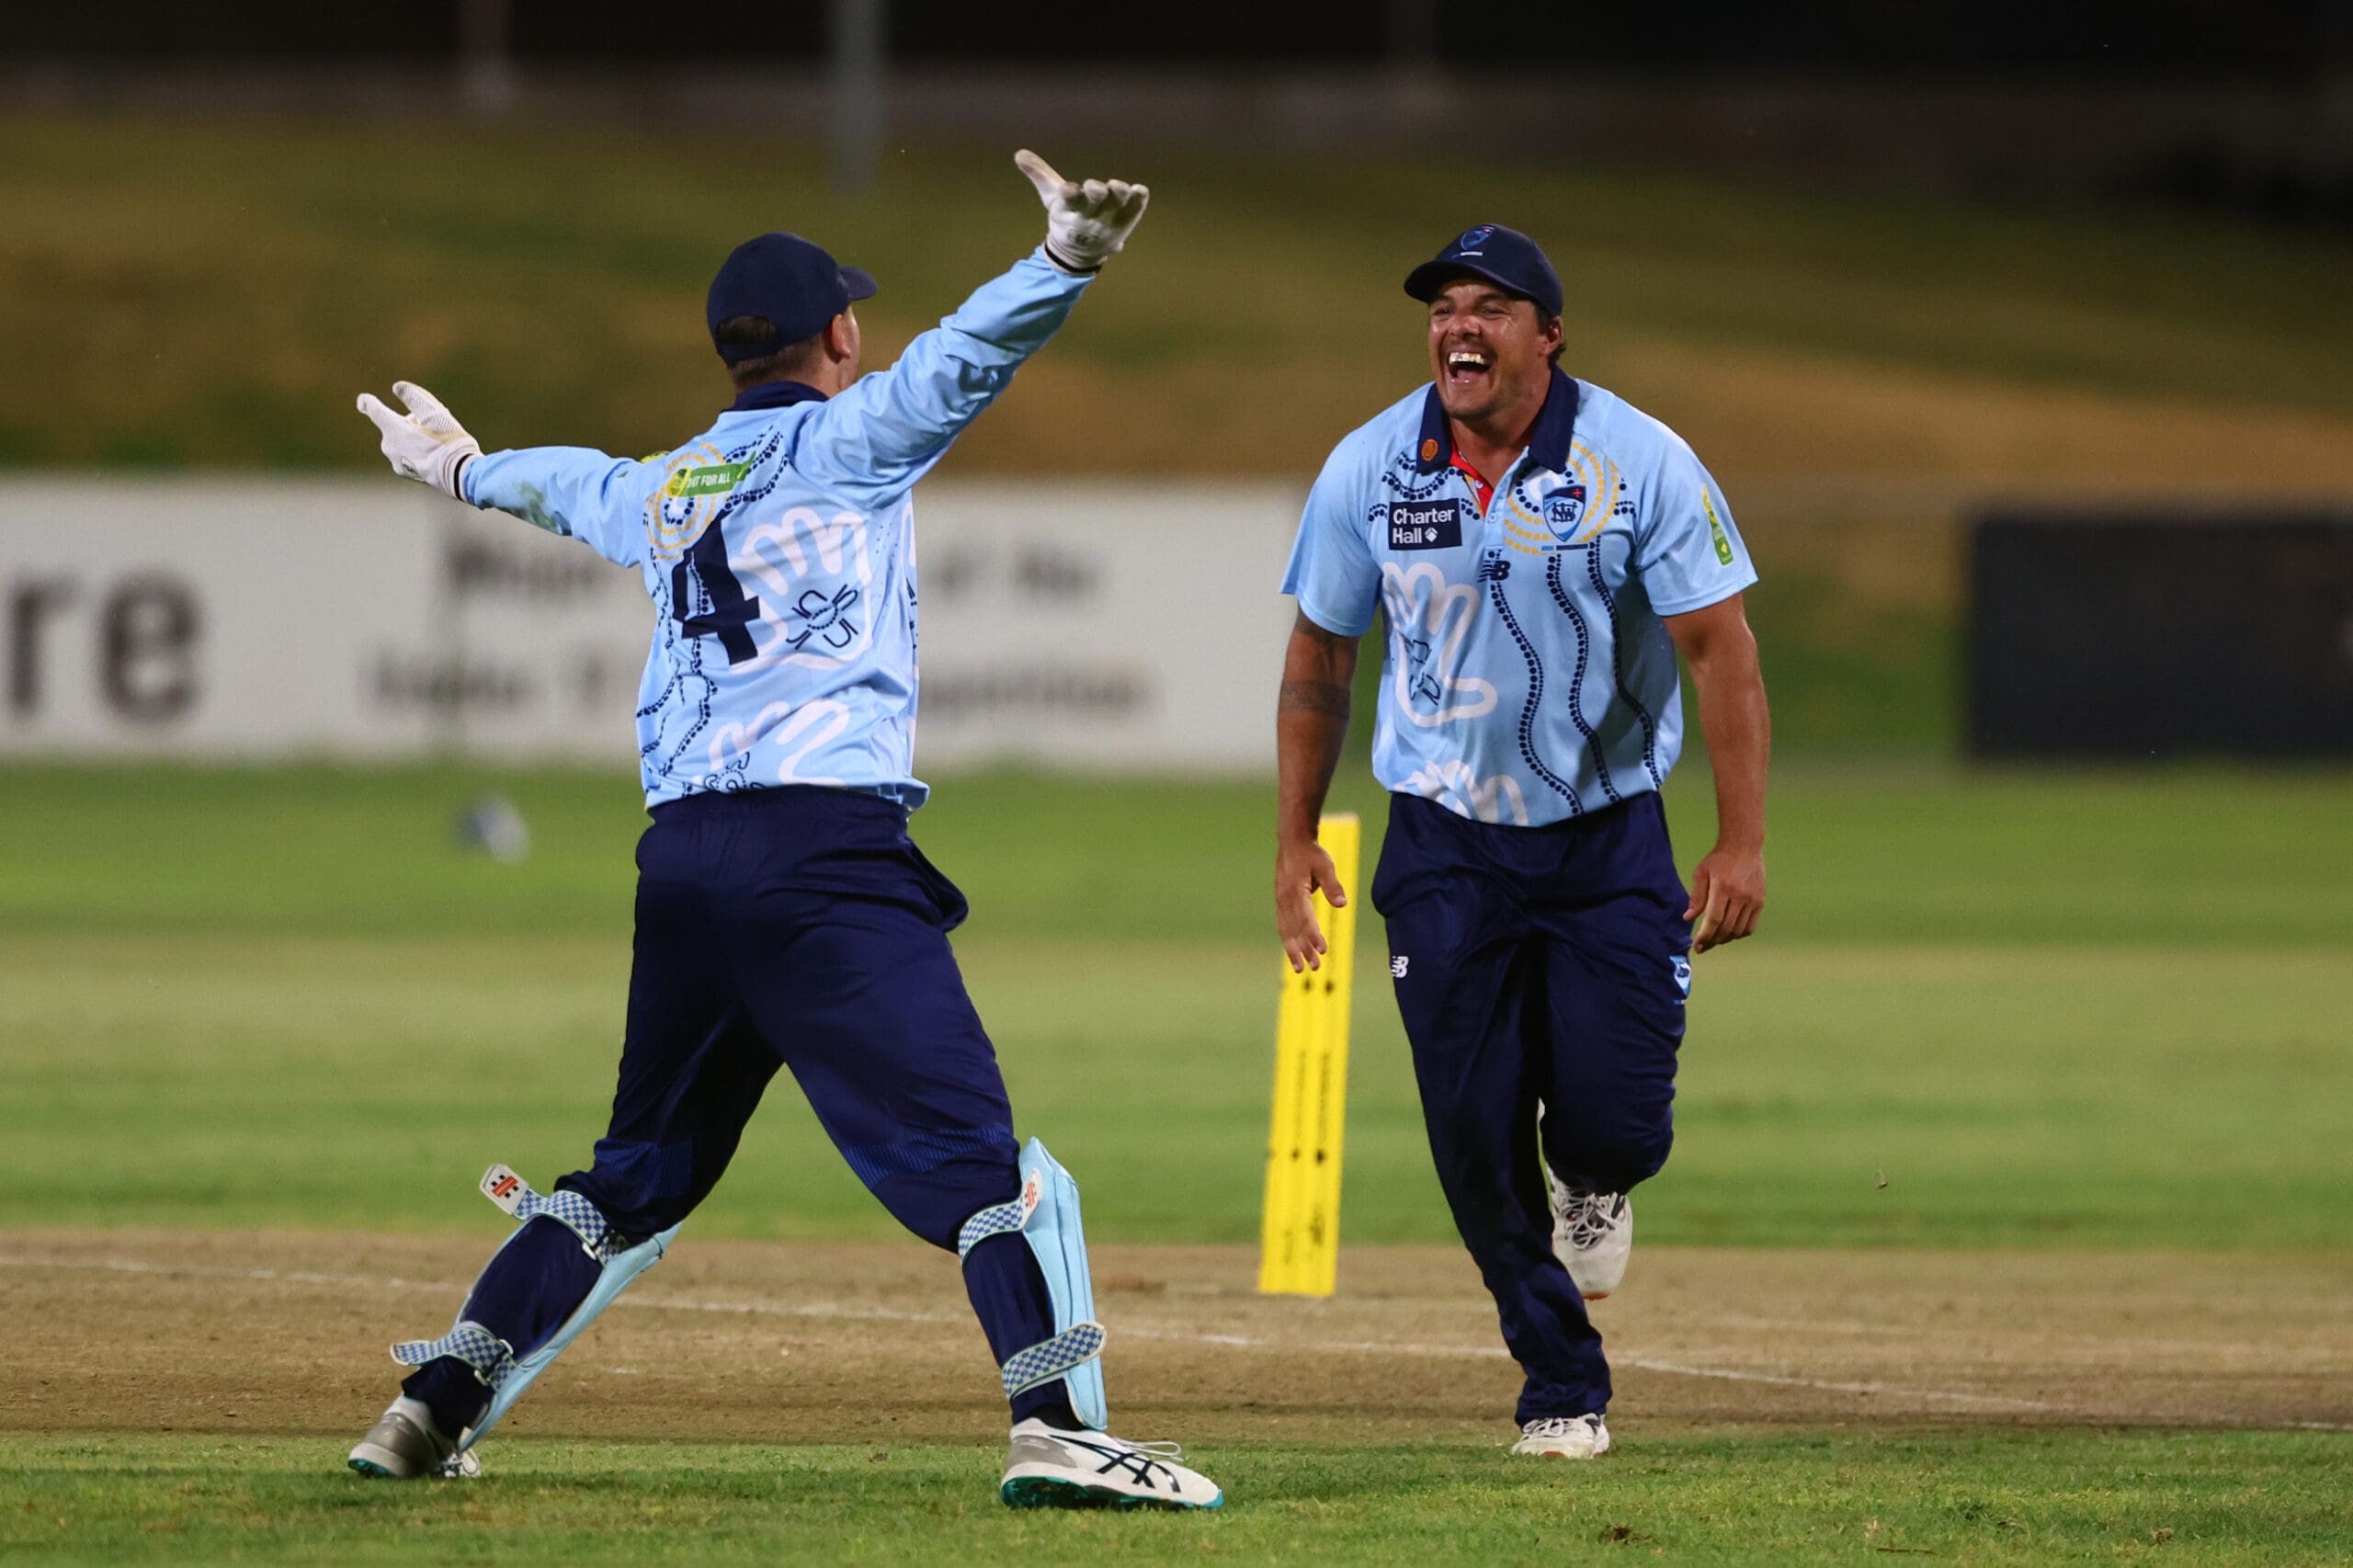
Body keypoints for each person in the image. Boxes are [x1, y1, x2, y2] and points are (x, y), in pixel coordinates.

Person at [345, 151, 1221, 1511]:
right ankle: (1056, 1421)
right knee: (993, 1171)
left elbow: (561, 483)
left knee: (631, 1178)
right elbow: (966, 361)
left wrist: (460, 467)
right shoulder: (852, 438)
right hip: (821, 856)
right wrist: (1064, 264)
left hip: (685, 861)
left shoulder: (668, 485)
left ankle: (428, 1405)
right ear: (841, 336)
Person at [1272, 223, 1770, 1460]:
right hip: (1443, 843)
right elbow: (1321, 655)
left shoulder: (1638, 461)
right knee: (1472, 1127)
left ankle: (1594, 1175)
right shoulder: (1372, 467)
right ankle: (1562, 1381)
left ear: (1549, 335)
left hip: (1606, 843)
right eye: (1444, 307)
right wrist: (1291, 836)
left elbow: (1723, 652)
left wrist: (1741, 839)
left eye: (1492, 307)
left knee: (1614, 1121)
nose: (1460, 327)